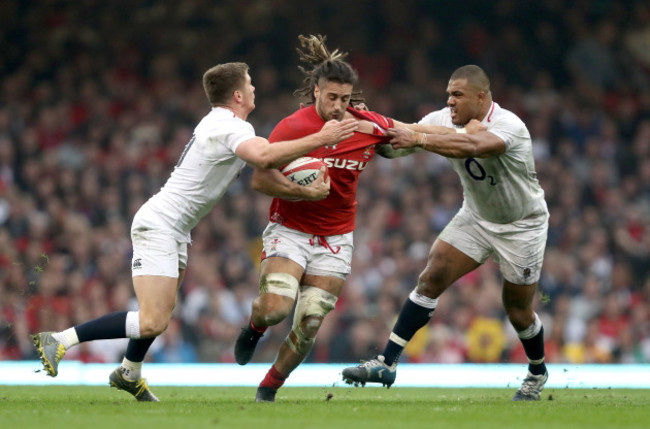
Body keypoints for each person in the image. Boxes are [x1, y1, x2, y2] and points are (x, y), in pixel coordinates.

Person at [30, 62, 357, 402]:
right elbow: (263, 157)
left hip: (176, 229)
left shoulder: (228, 126)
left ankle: (129, 371)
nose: (255, 88)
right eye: (250, 83)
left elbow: (266, 162)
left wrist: (302, 189)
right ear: (237, 94)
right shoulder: (226, 126)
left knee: (161, 313)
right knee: (153, 320)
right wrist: (320, 139)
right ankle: (61, 340)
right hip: (159, 224)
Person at [233, 35, 444, 403]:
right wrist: (303, 192)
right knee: (276, 309)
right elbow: (260, 178)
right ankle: (254, 328)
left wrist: (456, 134)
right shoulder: (293, 127)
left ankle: (268, 388)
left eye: (344, 99)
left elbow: (409, 133)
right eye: (331, 97)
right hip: (291, 229)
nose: (338, 106)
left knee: (311, 321)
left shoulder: (365, 125)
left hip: (336, 237)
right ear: (316, 91)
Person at [341, 65, 550, 401]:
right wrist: (372, 128)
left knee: (517, 310)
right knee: (432, 275)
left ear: (481, 97)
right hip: (477, 217)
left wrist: (419, 138)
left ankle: (537, 372)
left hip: (522, 226)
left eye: (457, 95)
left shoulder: (510, 125)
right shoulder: (441, 120)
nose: (449, 101)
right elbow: (402, 137)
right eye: (448, 94)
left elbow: (472, 146)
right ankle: (387, 363)